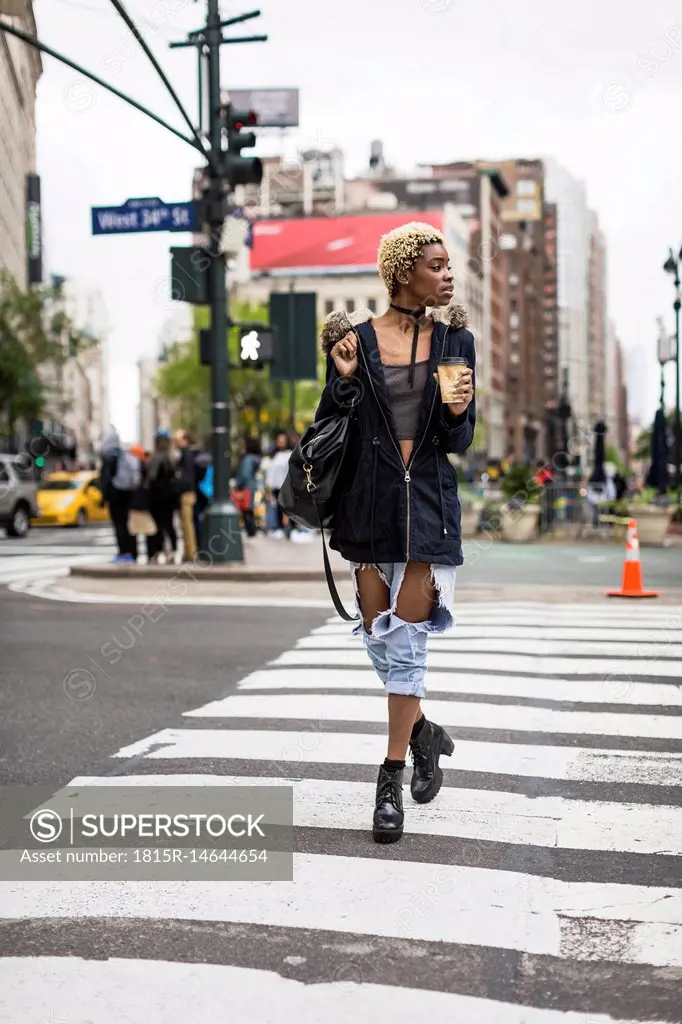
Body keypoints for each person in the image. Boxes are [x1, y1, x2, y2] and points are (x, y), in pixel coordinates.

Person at [316, 221, 475, 844]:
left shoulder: (456, 339)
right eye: (435, 264)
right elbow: (331, 423)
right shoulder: (356, 340)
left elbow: (458, 440)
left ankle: (388, 779)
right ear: (403, 270)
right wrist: (345, 380)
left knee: (406, 645)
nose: (447, 273)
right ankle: (425, 734)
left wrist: (460, 413)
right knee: (381, 646)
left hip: (429, 506)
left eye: (448, 264)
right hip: (367, 505)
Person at [99, 429, 140, 563]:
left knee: (119, 525)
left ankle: (123, 553)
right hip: (128, 494)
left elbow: (105, 480)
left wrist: (103, 498)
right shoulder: (124, 456)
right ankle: (133, 553)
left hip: (115, 496)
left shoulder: (108, 458)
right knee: (128, 525)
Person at [146, 431, 178, 564]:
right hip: (170, 496)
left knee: (157, 526)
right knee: (169, 524)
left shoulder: (156, 457)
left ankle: (157, 551)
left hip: (157, 496)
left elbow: (151, 477)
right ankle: (172, 551)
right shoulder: (172, 456)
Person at [173, 430, 197, 561]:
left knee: (187, 524)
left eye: (178, 439)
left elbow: (186, 476)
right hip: (186, 492)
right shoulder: (184, 454)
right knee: (185, 524)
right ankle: (189, 552)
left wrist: (177, 485)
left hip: (186, 493)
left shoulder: (186, 455)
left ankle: (191, 553)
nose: (176, 442)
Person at [265, 431, 294, 538]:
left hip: (287, 487)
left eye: (283, 441)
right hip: (275, 487)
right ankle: (279, 528)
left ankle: (287, 530)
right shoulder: (273, 455)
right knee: (277, 508)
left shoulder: (290, 454)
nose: (281, 443)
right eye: (279, 441)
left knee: (285, 510)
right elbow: (270, 472)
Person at [234, 438, 262, 538]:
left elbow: (244, 474)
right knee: (249, 508)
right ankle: (251, 530)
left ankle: (251, 531)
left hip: (245, 487)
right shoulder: (255, 458)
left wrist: (238, 485)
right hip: (251, 486)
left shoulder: (247, 459)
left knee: (246, 509)